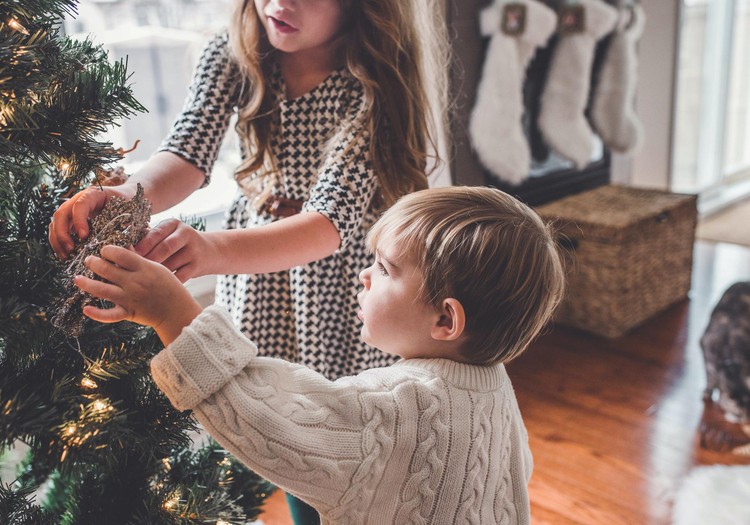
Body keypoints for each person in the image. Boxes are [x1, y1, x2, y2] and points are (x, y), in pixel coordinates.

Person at [50, 1, 448, 521]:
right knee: (258, 420)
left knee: (326, 443)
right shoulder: (234, 52)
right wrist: (130, 194)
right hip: (259, 285)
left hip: (337, 289)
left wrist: (213, 249)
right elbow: (187, 154)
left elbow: (328, 224)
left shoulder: (371, 83)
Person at [73, 185, 567, 524]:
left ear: (445, 320)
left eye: (385, 268)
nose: (364, 275)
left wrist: (173, 315)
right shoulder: (493, 385)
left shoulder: (397, 406)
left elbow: (263, 418)